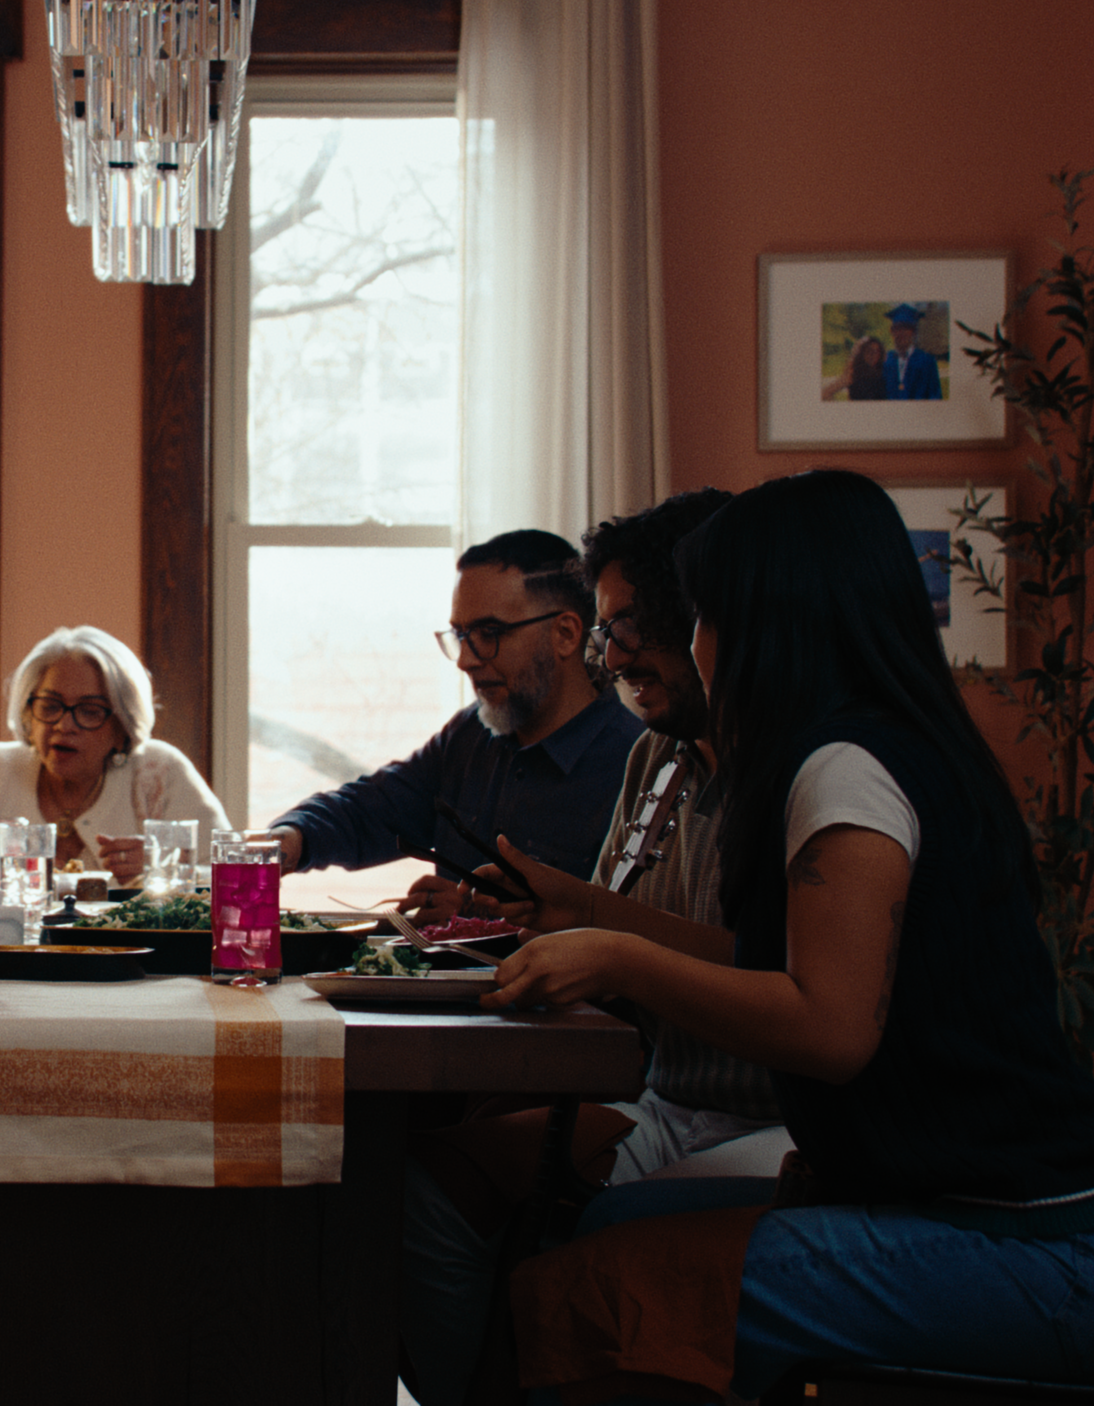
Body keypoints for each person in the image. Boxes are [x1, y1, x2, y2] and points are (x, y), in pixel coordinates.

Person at [434, 470, 1094, 1403]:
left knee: (594, 1295)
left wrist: (618, 955)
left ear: (768, 622)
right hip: (1042, 1222)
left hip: (1048, 1252)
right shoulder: (885, 745)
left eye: (704, 617)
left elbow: (828, 1027)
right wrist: (598, 919)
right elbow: (783, 972)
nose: (696, 648)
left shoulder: (844, 772)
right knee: (599, 1240)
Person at [401, 490, 794, 1405]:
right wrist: (544, 911)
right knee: (433, 1183)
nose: (610, 658)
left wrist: (599, 937)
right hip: (665, 1096)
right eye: (607, 632)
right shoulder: (654, 758)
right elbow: (614, 921)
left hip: (772, 1124)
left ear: (704, 626)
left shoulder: (787, 773)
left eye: (628, 630)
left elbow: (777, 970)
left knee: (563, 1227)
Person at [268, 530, 642, 914]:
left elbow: (628, 941)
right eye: (461, 635)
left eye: (489, 633)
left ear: (565, 634)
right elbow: (370, 811)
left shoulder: (638, 765)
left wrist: (475, 927)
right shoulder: (469, 735)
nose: (465, 660)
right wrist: (288, 838)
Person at [0, 626, 230, 902]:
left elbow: (232, 877)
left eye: (89, 711)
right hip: (6, 967)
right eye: (50, 705)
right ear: (29, 712)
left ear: (122, 725)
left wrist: (162, 871)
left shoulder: (160, 773)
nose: (64, 725)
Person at [883, 302, 942, 400]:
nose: (901, 333)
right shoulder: (884, 360)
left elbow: (935, 398)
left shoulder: (927, 361)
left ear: (914, 332)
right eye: (897, 328)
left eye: (906, 328)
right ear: (892, 332)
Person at [820, 334, 886, 401]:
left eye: (877, 351)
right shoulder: (853, 374)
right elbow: (825, 393)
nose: (873, 355)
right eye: (869, 351)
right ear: (862, 354)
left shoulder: (884, 373)